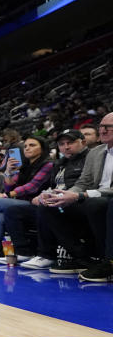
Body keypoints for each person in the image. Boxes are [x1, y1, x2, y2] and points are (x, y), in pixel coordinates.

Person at [38, 113, 113, 281]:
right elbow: (84, 181)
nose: (103, 130)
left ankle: (107, 261)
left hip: (103, 199)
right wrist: (66, 195)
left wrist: (80, 195)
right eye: (101, 126)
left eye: (108, 127)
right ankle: (82, 258)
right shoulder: (96, 152)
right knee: (51, 207)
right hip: (90, 197)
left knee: (96, 204)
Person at [4, 129, 89, 270]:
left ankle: (47, 255)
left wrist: (8, 195)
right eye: (62, 144)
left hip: (76, 200)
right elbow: (9, 187)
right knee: (11, 210)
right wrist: (8, 172)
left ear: (83, 142)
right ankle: (21, 252)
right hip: (52, 199)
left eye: (70, 143)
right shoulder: (59, 163)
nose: (66, 147)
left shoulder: (53, 163)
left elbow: (31, 187)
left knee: (5, 203)